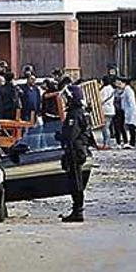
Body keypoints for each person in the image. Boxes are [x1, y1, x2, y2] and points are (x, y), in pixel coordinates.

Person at [57, 85, 95, 222]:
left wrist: (60, 136)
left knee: (75, 182)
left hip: (75, 150)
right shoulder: (82, 112)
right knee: (75, 181)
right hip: (79, 150)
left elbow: (71, 135)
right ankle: (77, 210)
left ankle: (78, 211)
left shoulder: (75, 114)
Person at [115, 78, 136, 148]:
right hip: (127, 110)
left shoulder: (128, 90)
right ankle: (131, 142)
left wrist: (129, 111)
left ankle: (132, 143)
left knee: (132, 127)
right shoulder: (125, 90)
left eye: (120, 84)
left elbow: (131, 102)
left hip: (131, 110)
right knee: (130, 126)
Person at [99, 76, 116, 149]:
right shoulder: (111, 89)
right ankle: (107, 143)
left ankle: (106, 143)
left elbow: (101, 99)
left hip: (105, 110)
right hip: (111, 110)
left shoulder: (105, 89)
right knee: (107, 127)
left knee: (105, 128)